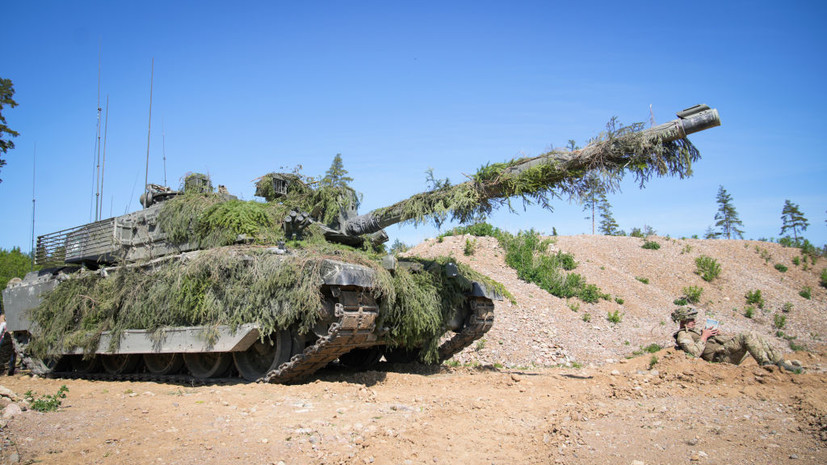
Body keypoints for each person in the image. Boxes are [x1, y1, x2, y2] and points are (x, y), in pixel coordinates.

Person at [670, 307, 796, 371]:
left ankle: (779, 362)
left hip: (723, 351)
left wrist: (714, 335)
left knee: (754, 335)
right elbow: (694, 353)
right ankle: (766, 364)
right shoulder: (683, 335)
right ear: (683, 320)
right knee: (746, 335)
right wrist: (704, 336)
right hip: (720, 357)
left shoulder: (694, 331)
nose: (694, 321)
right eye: (691, 319)